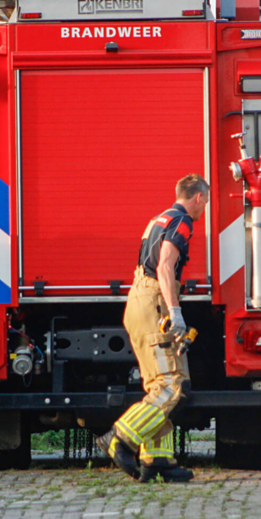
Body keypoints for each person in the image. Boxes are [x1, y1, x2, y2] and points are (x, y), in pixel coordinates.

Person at [96, 174, 210, 483]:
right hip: (153, 304)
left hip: (138, 300)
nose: (204, 210)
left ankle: (157, 460)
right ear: (198, 197)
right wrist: (175, 312)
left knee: (159, 384)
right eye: (206, 203)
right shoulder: (183, 221)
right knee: (171, 385)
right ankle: (120, 438)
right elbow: (164, 266)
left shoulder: (157, 220)